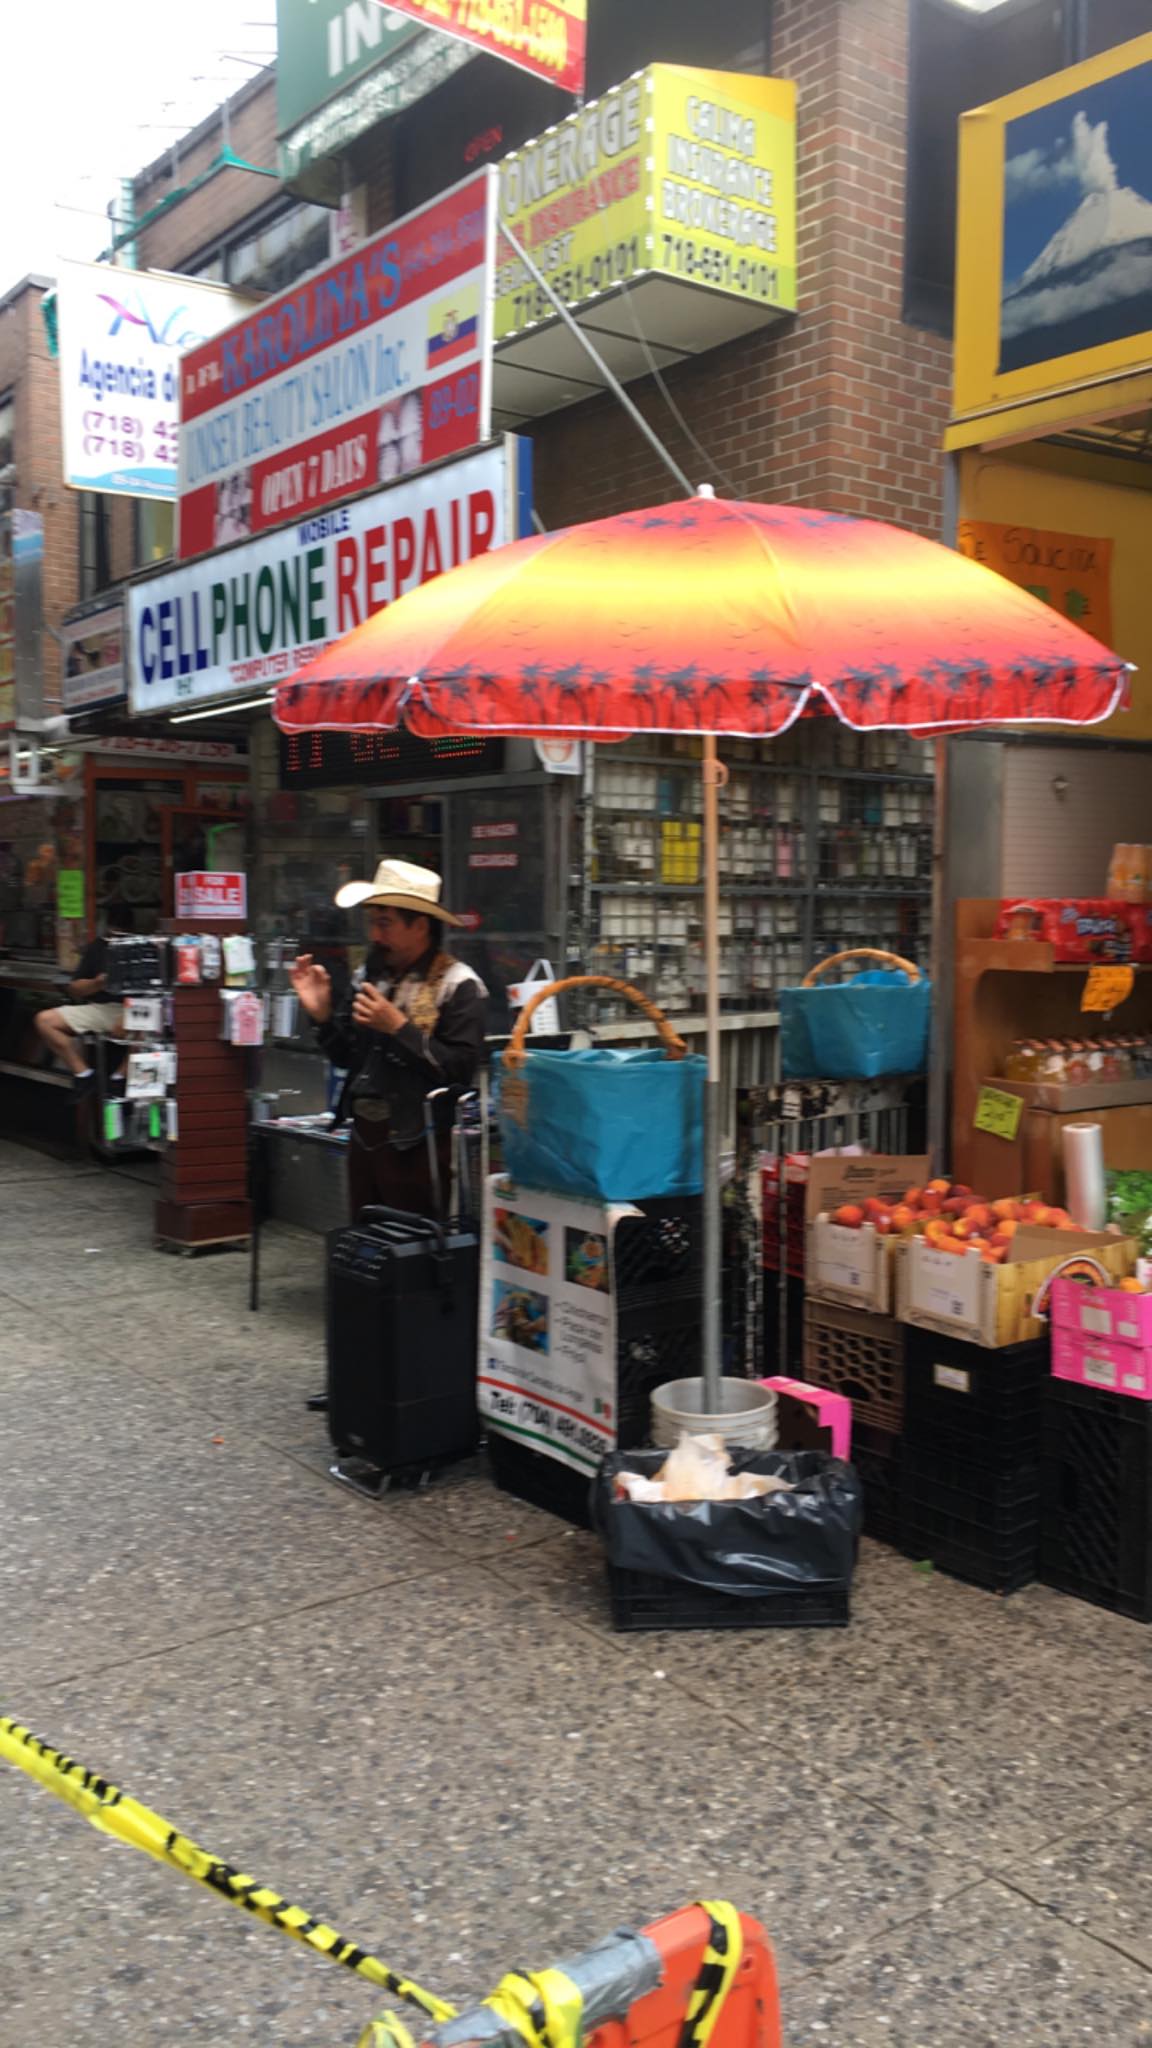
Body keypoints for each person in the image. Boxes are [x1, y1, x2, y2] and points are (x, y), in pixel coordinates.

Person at [290, 859, 487, 1222]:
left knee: (413, 1250)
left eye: (386, 924)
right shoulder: (370, 975)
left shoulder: (459, 985)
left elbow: (459, 1071)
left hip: (419, 1142)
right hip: (366, 1138)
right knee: (367, 1244)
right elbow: (348, 1056)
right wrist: (320, 1016)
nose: (376, 936)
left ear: (421, 926)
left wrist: (399, 1028)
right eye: (373, 923)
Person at [35, 905, 131, 1096]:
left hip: (134, 1010)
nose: (116, 935)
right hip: (99, 1008)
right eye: (113, 931)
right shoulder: (98, 946)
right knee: (44, 1020)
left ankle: (119, 1078)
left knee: (150, 1028)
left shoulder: (143, 948)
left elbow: (155, 994)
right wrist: (96, 983)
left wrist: (130, 1011)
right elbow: (75, 988)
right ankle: (84, 1073)